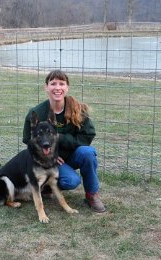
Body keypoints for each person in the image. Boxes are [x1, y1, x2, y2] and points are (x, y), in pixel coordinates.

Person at [22, 70, 106, 213]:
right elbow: (27, 140)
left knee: (88, 152)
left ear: (67, 87)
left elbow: (88, 135)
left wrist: (61, 137)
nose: (57, 87)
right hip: (51, 159)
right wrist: (50, 156)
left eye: (62, 84)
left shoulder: (77, 109)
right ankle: (47, 186)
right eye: (53, 83)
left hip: (73, 155)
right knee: (71, 181)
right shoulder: (36, 112)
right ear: (46, 87)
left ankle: (92, 195)